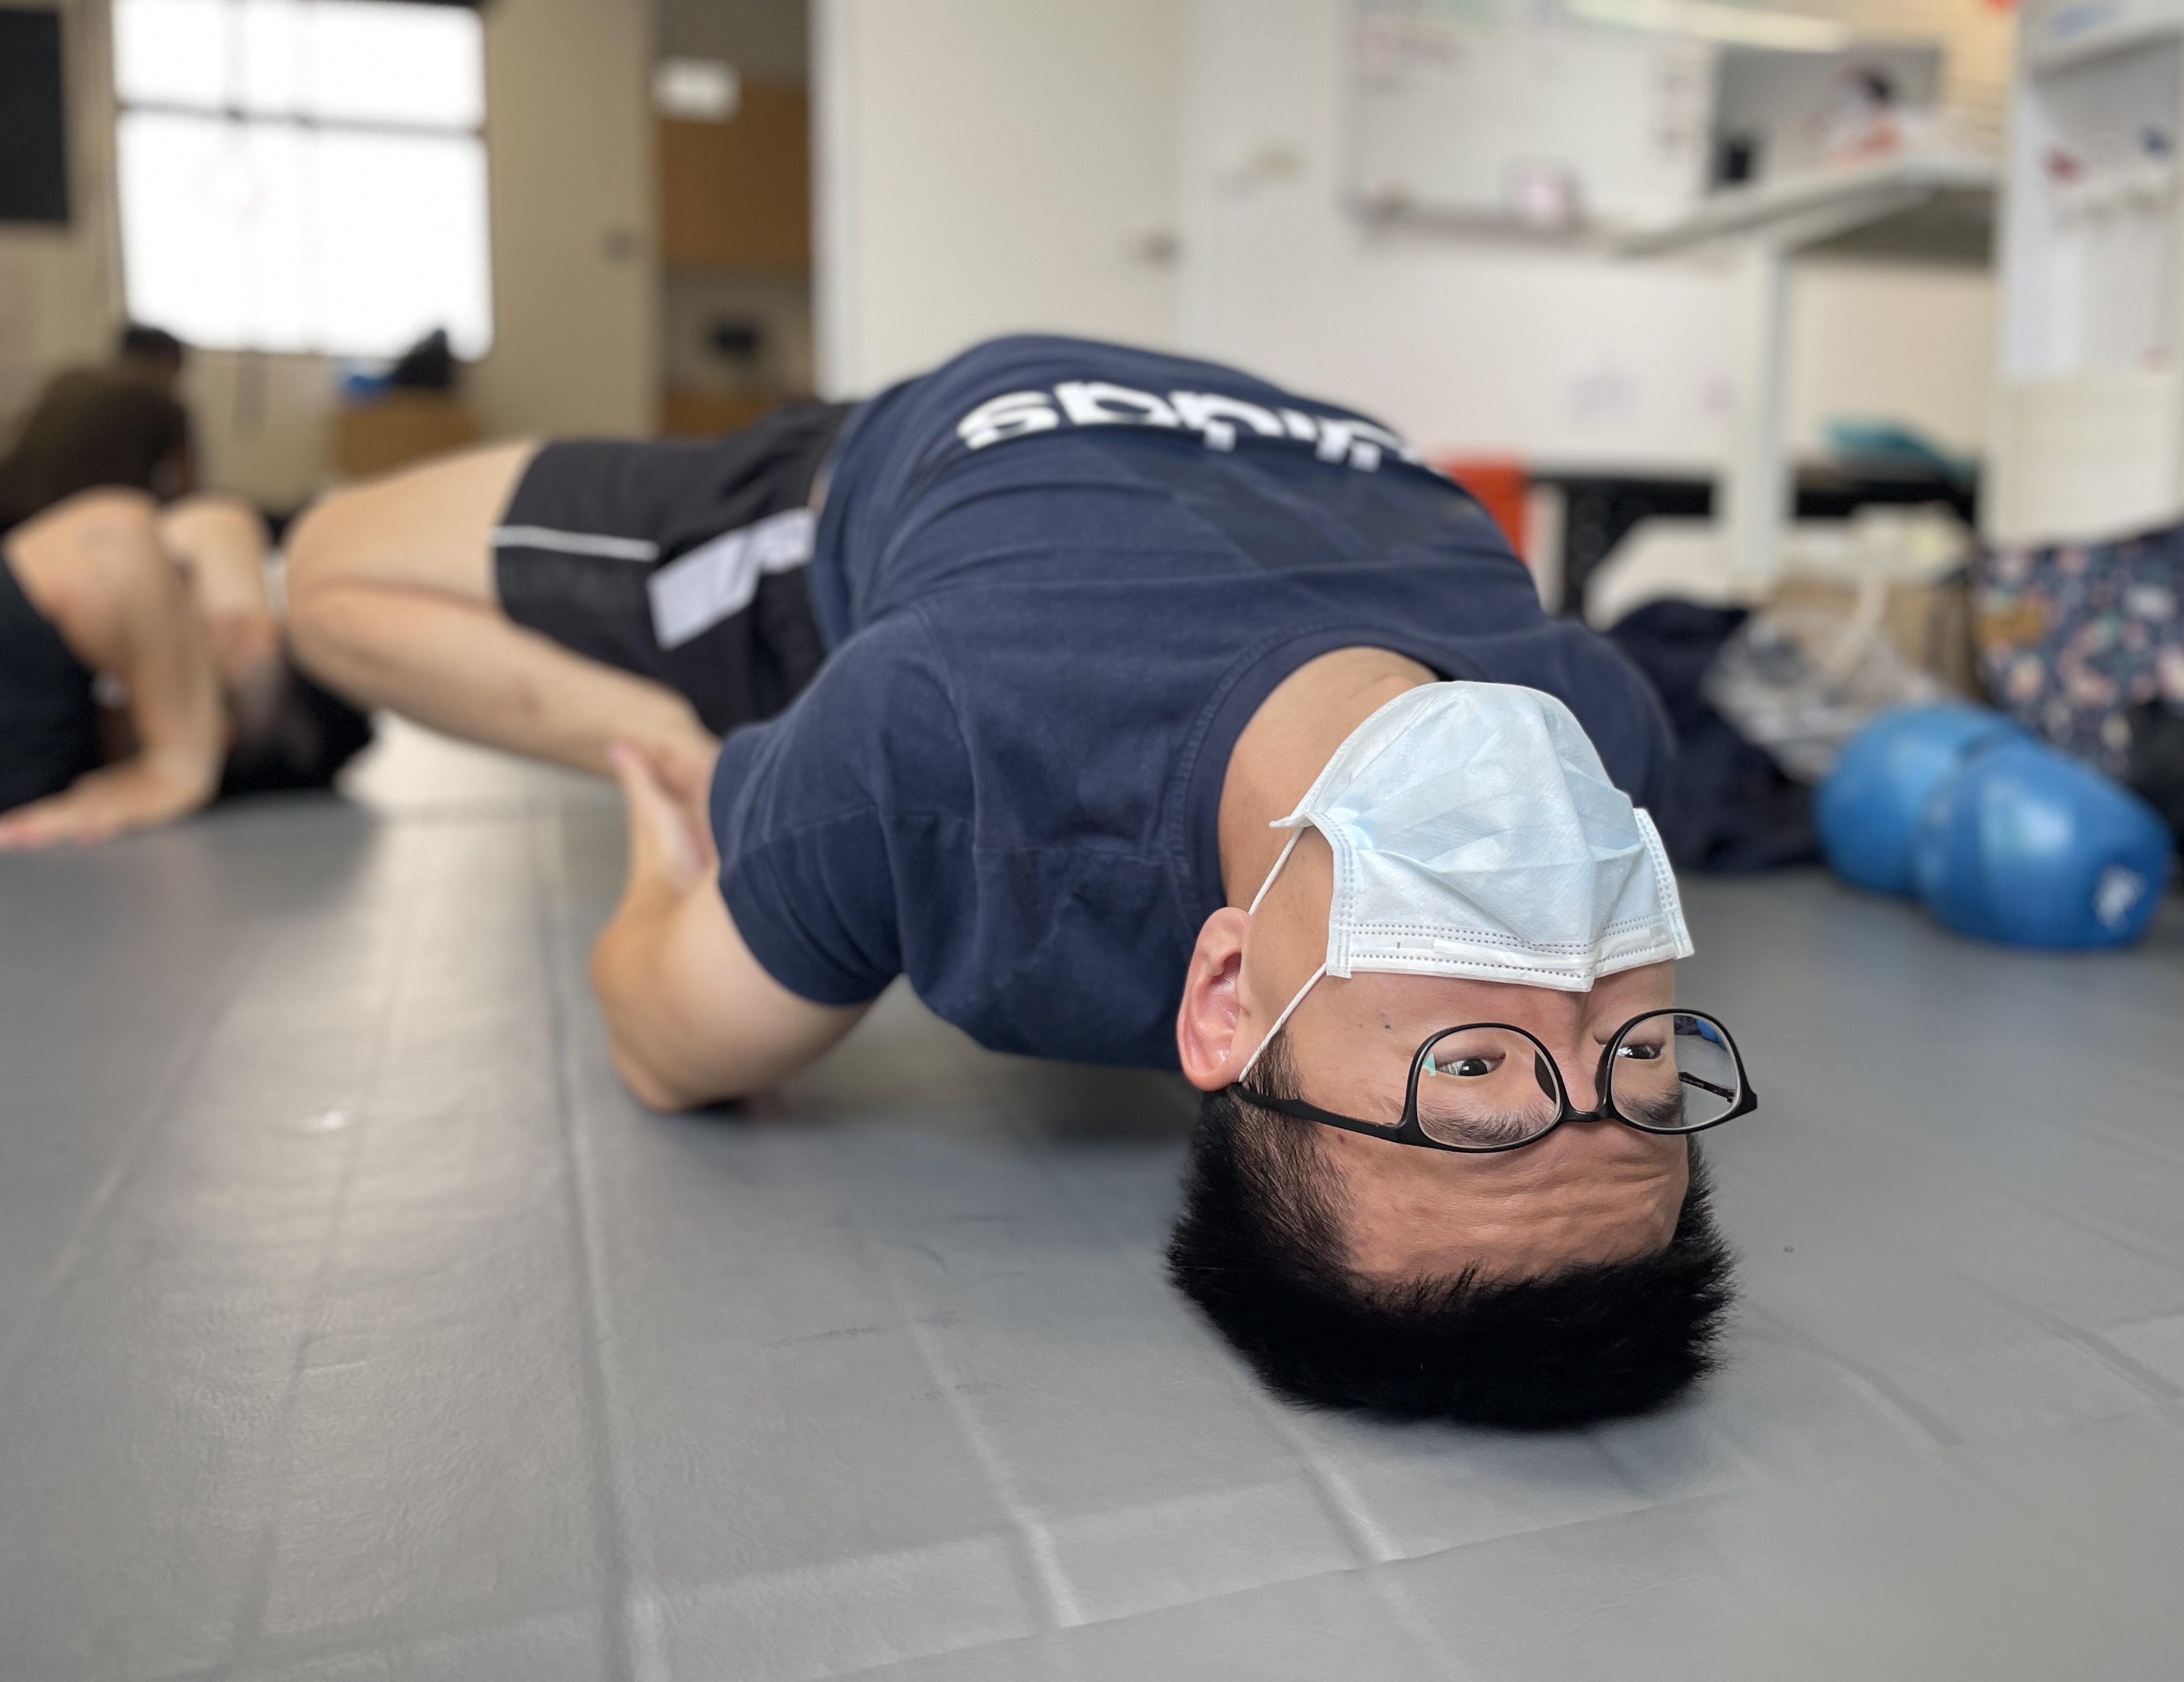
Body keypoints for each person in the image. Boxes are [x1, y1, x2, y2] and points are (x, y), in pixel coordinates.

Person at [284, 335, 1749, 1428]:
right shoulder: (1608, 737)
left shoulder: (941, 747)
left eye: (1474, 1067)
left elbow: (666, 1043)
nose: (1570, 971)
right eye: (1637, 1068)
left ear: (1228, 993)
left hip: (889, 472)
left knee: (325, 579)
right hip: (1301, 437)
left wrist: (684, 781)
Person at [0, 488, 372, 847]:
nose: (233, 618)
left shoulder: (48, 727)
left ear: (224, 731)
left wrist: (180, 763)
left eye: (242, 637)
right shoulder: (64, 751)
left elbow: (112, 539)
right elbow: (215, 523)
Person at [0, 325, 196, 531]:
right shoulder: (161, 399)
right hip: (69, 519)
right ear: (170, 360)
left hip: (8, 505)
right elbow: (188, 492)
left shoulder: (68, 379)